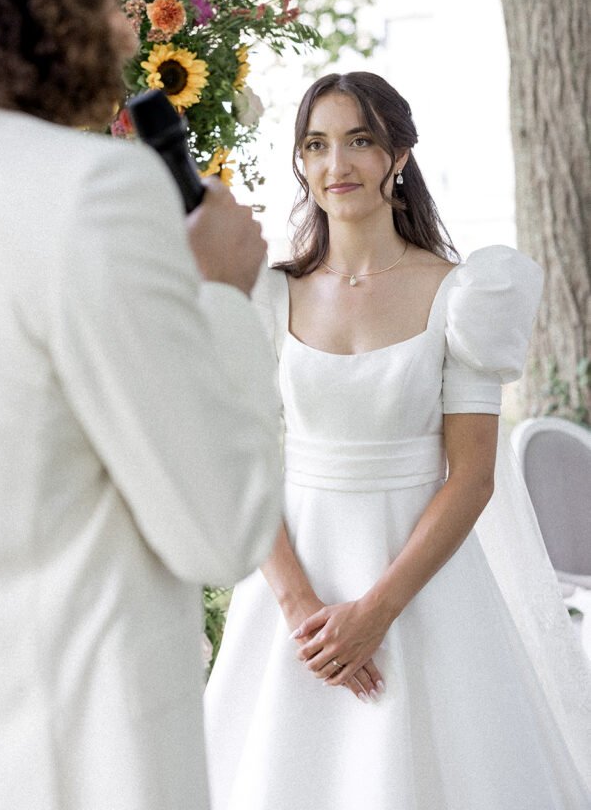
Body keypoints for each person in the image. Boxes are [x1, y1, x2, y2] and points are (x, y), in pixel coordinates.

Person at [0, 0, 283, 810]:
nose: (122, 24)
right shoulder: (92, 195)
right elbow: (218, 527)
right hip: (78, 761)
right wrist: (221, 294)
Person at [204, 71, 591, 809]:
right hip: (295, 591)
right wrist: (302, 614)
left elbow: (471, 476)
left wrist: (377, 610)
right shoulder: (268, 292)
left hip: (423, 588)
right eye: (315, 145)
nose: (334, 165)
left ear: (398, 156)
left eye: (358, 142)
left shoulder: (462, 295)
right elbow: (242, 463)